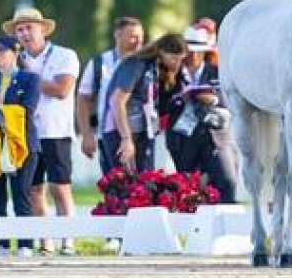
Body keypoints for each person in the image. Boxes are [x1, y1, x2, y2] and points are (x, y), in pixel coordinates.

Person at [6, 6, 80, 256]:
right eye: (19, 30)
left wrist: (26, 77)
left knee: (60, 187)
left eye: (29, 28)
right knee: (34, 189)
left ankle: (67, 239)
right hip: (27, 133)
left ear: (42, 30)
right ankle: (45, 241)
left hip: (56, 131)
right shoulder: (14, 59)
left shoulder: (64, 55)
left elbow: (62, 89)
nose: (24, 34)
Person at [160, 26, 236, 202]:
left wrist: (214, 100)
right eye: (190, 52)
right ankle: (189, 228)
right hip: (182, 139)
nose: (193, 56)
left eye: (198, 52)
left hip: (215, 137)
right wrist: (179, 98)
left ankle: (225, 228)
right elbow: (160, 106)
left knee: (226, 183)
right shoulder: (169, 74)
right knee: (186, 190)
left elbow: (233, 102)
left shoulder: (219, 71)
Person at [0, 35, 41, 257]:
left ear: (15, 52)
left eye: (1, 50)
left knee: (22, 197)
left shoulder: (30, 79)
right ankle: (2, 245)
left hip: (23, 145)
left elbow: (26, 111)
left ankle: (25, 245)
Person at [104, 33, 186, 173]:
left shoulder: (156, 69)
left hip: (144, 132)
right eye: (173, 58)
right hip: (122, 132)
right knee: (123, 186)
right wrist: (126, 139)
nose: (177, 64)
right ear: (161, 52)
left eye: (180, 60)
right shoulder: (136, 64)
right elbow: (117, 101)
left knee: (145, 185)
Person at [77, 17, 144, 175]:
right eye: (133, 36)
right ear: (118, 35)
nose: (139, 41)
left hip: (142, 134)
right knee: (114, 187)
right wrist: (86, 134)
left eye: (141, 36)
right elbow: (83, 99)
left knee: (144, 189)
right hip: (109, 135)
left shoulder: (146, 63)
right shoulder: (100, 63)